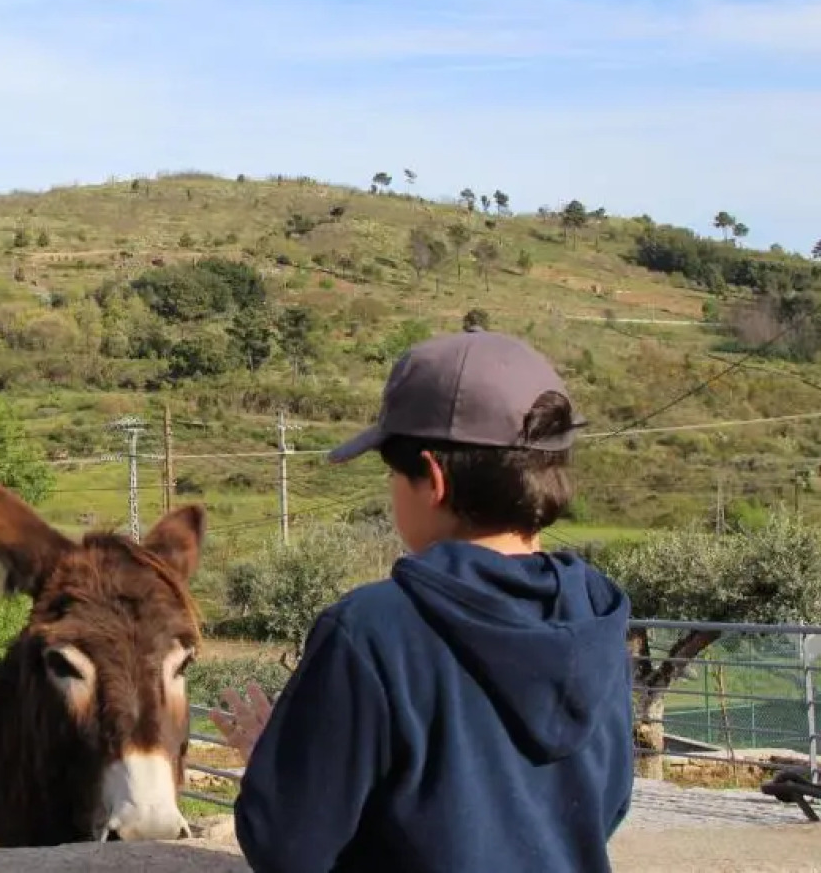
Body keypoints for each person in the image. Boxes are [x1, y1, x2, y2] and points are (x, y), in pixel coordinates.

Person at [212, 331, 633, 872]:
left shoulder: (371, 630)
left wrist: (279, 766)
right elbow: (606, 808)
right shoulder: (597, 615)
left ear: (433, 478)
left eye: (391, 472)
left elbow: (288, 848)